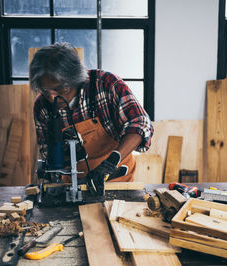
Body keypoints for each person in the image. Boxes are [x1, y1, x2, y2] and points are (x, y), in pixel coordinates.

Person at [29, 42, 153, 195]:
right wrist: (63, 161)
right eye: (45, 91)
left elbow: (140, 124)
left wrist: (112, 161)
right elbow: (48, 152)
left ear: (74, 79)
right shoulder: (42, 106)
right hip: (75, 186)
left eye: (58, 89)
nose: (51, 97)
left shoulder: (105, 85)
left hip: (116, 181)